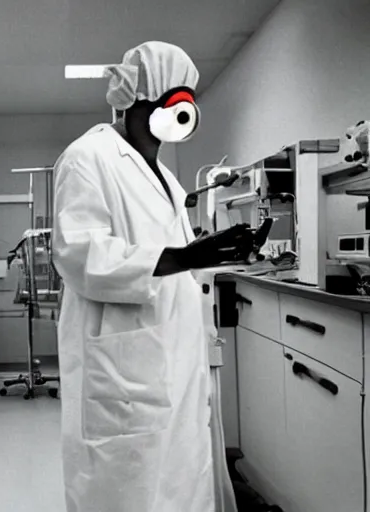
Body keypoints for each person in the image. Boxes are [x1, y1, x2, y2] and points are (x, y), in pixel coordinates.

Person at [51, 41, 254, 512]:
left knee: (181, 481)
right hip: (125, 371)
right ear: (131, 101)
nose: (177, 113)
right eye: (166, 101)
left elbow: (178, 258)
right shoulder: (87, 158)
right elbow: (80, 255)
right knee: (129, 489)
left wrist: (215, 251)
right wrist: (183, 257)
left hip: (174, 361)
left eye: (184, 103)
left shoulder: (165, 175)